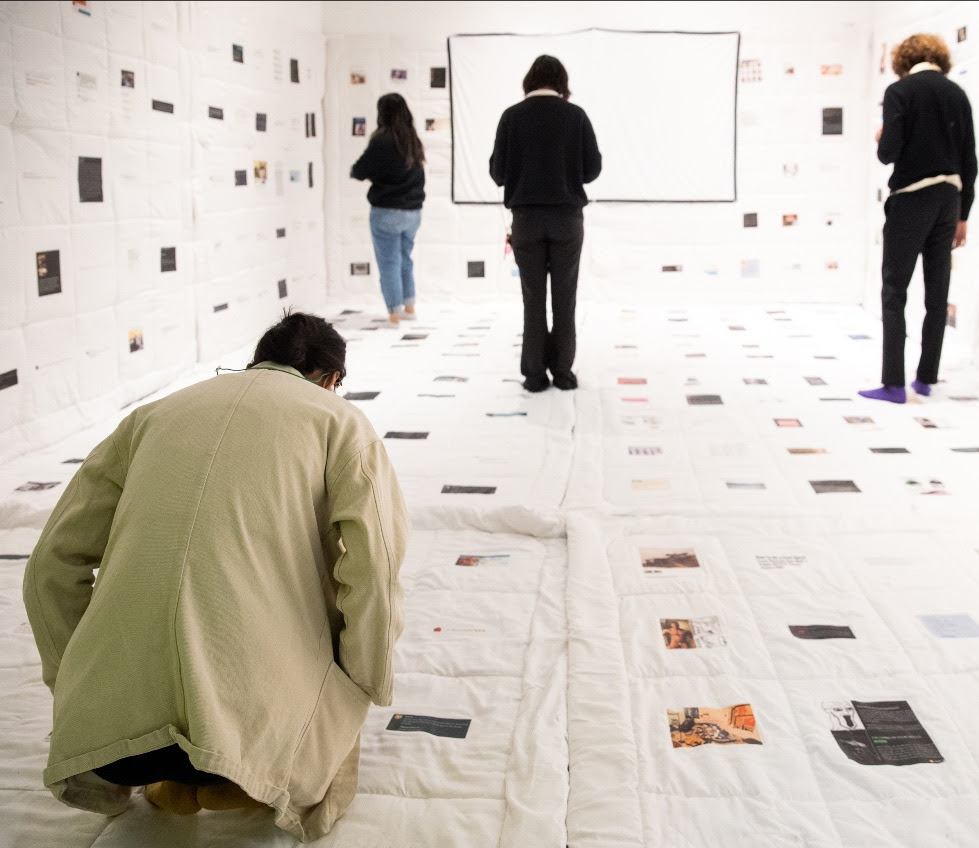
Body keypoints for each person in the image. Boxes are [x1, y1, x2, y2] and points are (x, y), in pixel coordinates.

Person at [23, 312, 408, 842]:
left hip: (117, 750)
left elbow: (51, 563)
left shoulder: (151, 415)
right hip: (246, 742)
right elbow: (375, 571)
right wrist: (359, 684)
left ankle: (172, 776)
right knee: (320, 725)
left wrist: (76, 686)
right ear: (331, 379)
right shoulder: (338, 422)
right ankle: (234, 778)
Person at [859, 34, 977, 404]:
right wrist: (964, 215)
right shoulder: (958, 94)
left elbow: (888, 152)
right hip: (949, 201)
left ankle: (893, 384)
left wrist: (881, 136)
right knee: (937, 293)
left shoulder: (900, 91)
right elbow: (970, 160)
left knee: (895, 291)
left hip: (912, 198)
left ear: (903, 60)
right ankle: (926, 378)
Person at [489, 55, 602, 392]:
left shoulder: (511, 117)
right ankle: (564, 373)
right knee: (565, 300)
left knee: (533, 300)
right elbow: (592, 169)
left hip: (526, 220)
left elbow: (497, 173)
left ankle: (535, 375)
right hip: (567, 221)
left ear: (529, 80)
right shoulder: (576, 115)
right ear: (561, 82)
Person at [351, 93, 426, 323]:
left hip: (386, 211)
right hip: (413, 212)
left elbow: (358, 170)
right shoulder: (412, 140)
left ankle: (394, 312)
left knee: (389, 262)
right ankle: (410, 306)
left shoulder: (381, 141)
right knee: (405, 258)